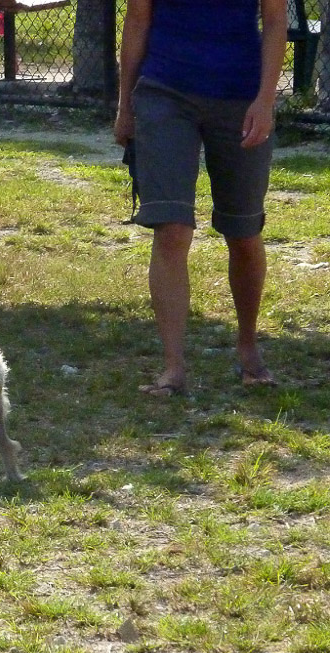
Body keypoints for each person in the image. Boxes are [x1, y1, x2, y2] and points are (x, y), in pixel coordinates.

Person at [114, 0, 286, 396]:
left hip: (241, 95)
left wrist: (265, 101)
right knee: (171, 228)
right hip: (165, 92)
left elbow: (276, 21)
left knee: (242, 231)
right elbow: (138, 20)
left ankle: (249, 350)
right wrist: (126, 106)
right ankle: (173, 369)